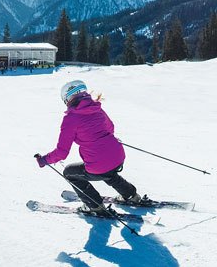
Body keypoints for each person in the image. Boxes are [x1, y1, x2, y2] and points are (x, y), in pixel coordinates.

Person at [35, 80, 140, 215]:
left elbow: (62, 152)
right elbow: (110, 128)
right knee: (108, 172)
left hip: (98, 163)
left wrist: (44, 160)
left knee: (69, 173)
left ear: (67, 99)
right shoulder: (97, 108)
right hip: (118, 155)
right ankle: (132, 195)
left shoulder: (71, 119)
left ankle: (94, 206)